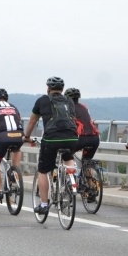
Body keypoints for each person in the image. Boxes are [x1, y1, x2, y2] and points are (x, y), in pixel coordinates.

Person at [23, 77, 78, 215]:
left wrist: (26, 137)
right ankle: (70, 179)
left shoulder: (42, 100)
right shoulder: (69, 101)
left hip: (52, 139)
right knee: (68, 156)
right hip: (71, 137)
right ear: (62, 89)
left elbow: (32, 122)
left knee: (43, 170)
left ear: (48, 88)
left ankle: (44, 204)